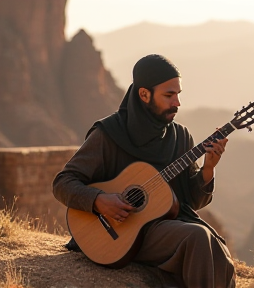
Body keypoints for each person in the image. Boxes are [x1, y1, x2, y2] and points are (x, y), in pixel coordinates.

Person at [53, 54, 235, 288]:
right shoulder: (109, 134)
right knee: (198, 237)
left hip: (165, 227)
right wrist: (99, 200)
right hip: (119, 233)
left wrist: (208, 169)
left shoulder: (180, 137)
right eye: (169, 95)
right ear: (143, 94)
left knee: (217, 249)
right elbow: (62, 183)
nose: (177, 102)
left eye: (178, 94)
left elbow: (191, 202)